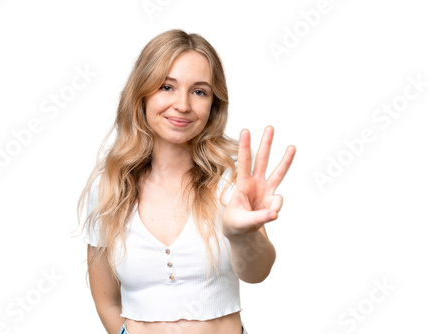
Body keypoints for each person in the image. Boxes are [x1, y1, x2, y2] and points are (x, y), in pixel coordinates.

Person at [78, 29, 296, 334]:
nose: (182, 104)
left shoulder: (230, 180)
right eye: (167, 87)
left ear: (212, 105)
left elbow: (257, 273)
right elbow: (107, 303)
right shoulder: (109, 188)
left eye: (199, 91)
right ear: (142, 95)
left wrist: (241, 235)